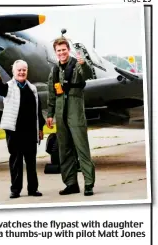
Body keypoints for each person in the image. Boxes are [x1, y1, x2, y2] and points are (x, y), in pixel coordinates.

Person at [46, 37, 96, 196]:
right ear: (55, 52)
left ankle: (89, 183)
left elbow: (87, 74)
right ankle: (71, 183)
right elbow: (51, 94)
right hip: (60, 112)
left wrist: (83, 64)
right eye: (58, 51)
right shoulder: (54, 71)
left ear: (68, 50)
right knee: (64, 149)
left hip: (75, 110)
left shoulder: (77, 66)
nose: (61, 53)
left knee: (82, 148)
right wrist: (50, 114)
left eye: (64, 50)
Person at [0, 60, 45, 199]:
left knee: (31, 161)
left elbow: (38, 111)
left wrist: (40, 128)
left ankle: (33, 189)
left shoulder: (32, 89)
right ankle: (15, 189)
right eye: (19, 70)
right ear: (14, 72)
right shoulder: (9, 87)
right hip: (14, 131)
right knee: (16, 160)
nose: (22, 72)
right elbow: (1, 90)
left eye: (24, 70)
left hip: (30, 131)